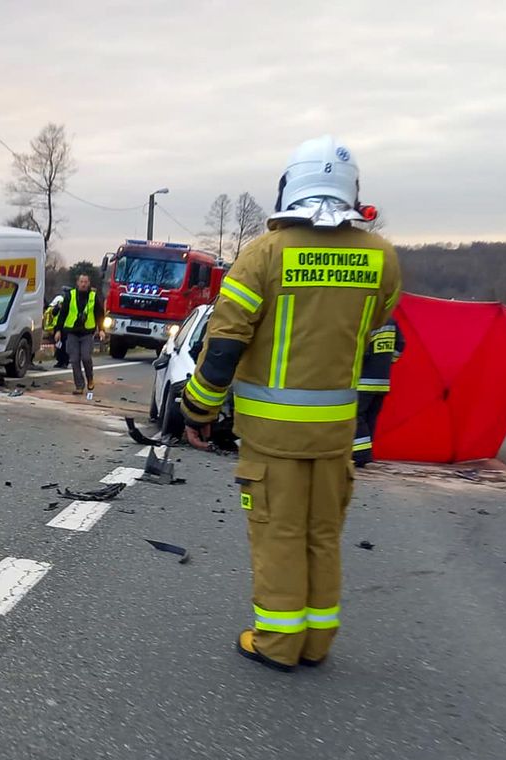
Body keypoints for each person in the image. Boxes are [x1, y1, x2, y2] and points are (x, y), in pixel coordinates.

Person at [181, 135, 401, 672]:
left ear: (290, 187)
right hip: (335, 434)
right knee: (322, 535)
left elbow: (224, 345)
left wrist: (198, 413)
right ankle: (317, 641)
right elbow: (372, 329)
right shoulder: (381, 258)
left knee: (279, 534)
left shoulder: (265, 254)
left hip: (272, 438)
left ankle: (278, 642)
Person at [352, 317, 403, 467]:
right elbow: (400, 344)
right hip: (382, 382)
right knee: (370, 419)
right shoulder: (391, 321)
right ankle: (366, 453)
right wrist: (387, 362)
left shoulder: (368, 320)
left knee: (355, 415)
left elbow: (363, 351)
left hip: (363, 381)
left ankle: (360, 456)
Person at [54, 274, 105, 395]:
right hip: (72, 332)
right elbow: (63, 314)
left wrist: (101, 329)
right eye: (81, 281)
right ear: (77, 283)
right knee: (74, 360)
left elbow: (99, 314)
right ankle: (79, 386)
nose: (83, 284)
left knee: (86, 357)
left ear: (89, 283)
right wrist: (58, 330)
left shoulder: (93, 296)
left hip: (87, 332)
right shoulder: (70, 295)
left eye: (86, 282)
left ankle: (90, 378)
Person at [43, 293, 69, 369]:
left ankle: (65, 362)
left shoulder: (66, 308)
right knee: (58, 345)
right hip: (57, 328)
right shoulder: (55, 308)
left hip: (64, 328)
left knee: (64, 346)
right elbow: (54, 314)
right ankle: (60, 361)